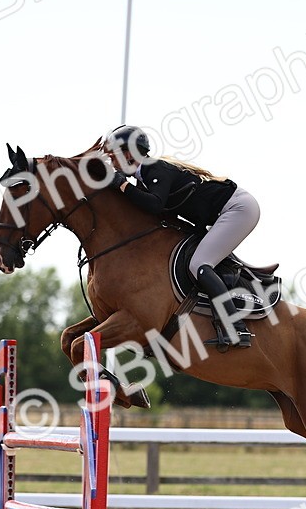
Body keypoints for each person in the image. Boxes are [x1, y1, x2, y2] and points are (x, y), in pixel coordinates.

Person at [102, 125, 260, 349]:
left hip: (238, 209)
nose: (112, 163)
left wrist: (122, 184)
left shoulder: (154, 168)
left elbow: (155, 205)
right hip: (225, 212)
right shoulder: (144, 177)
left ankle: (236, 327)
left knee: (199, 264)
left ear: (129, 153)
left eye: (113, 156)